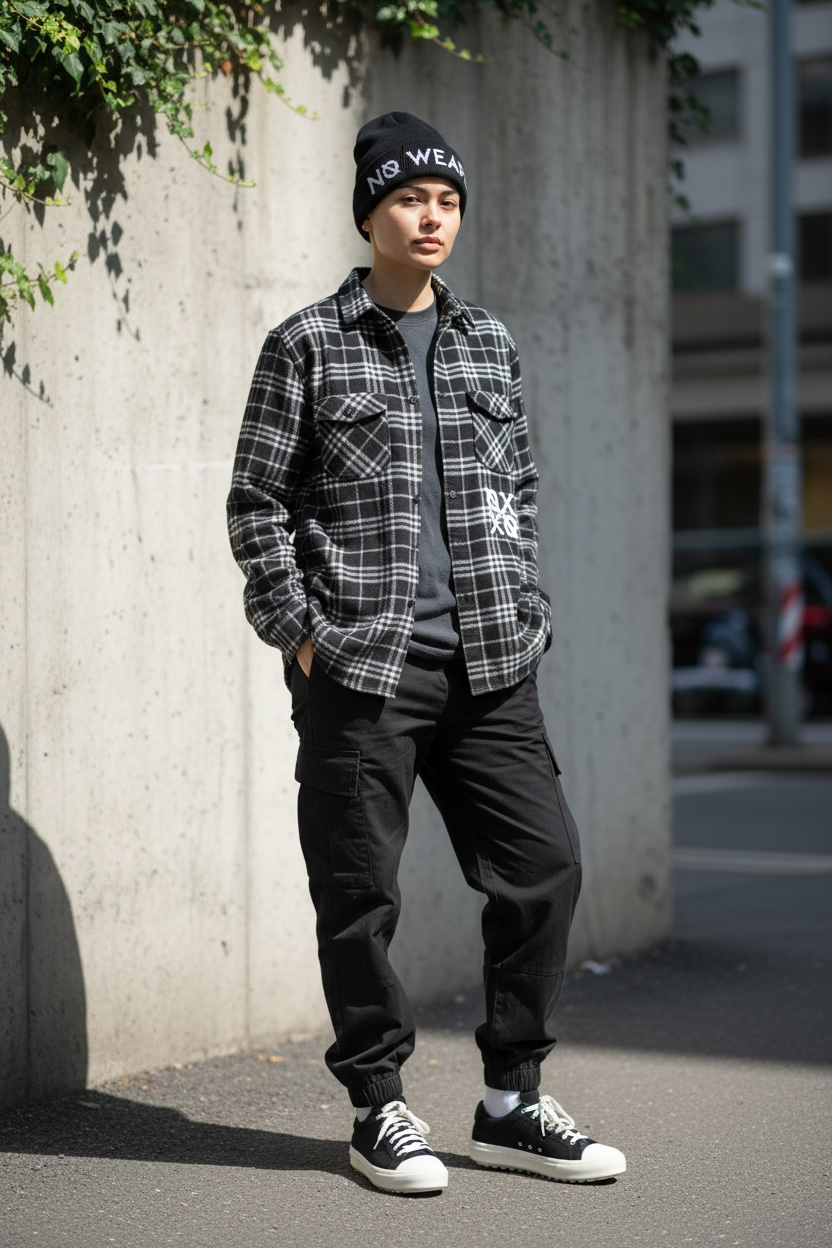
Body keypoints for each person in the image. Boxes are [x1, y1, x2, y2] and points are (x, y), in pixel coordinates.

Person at [227, 111, 626, 1195]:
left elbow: (517, 489)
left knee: (544, 870)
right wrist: (300, 631)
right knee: (360, 895)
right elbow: (257, 501)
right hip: (363, 667)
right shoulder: (307, 344)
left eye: (447, 200)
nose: (431, 216)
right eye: (410, 198)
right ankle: (378, 1107)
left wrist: (525, 604)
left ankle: (512, 1103)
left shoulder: (488, 340)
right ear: (371, 214)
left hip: (491, 662)